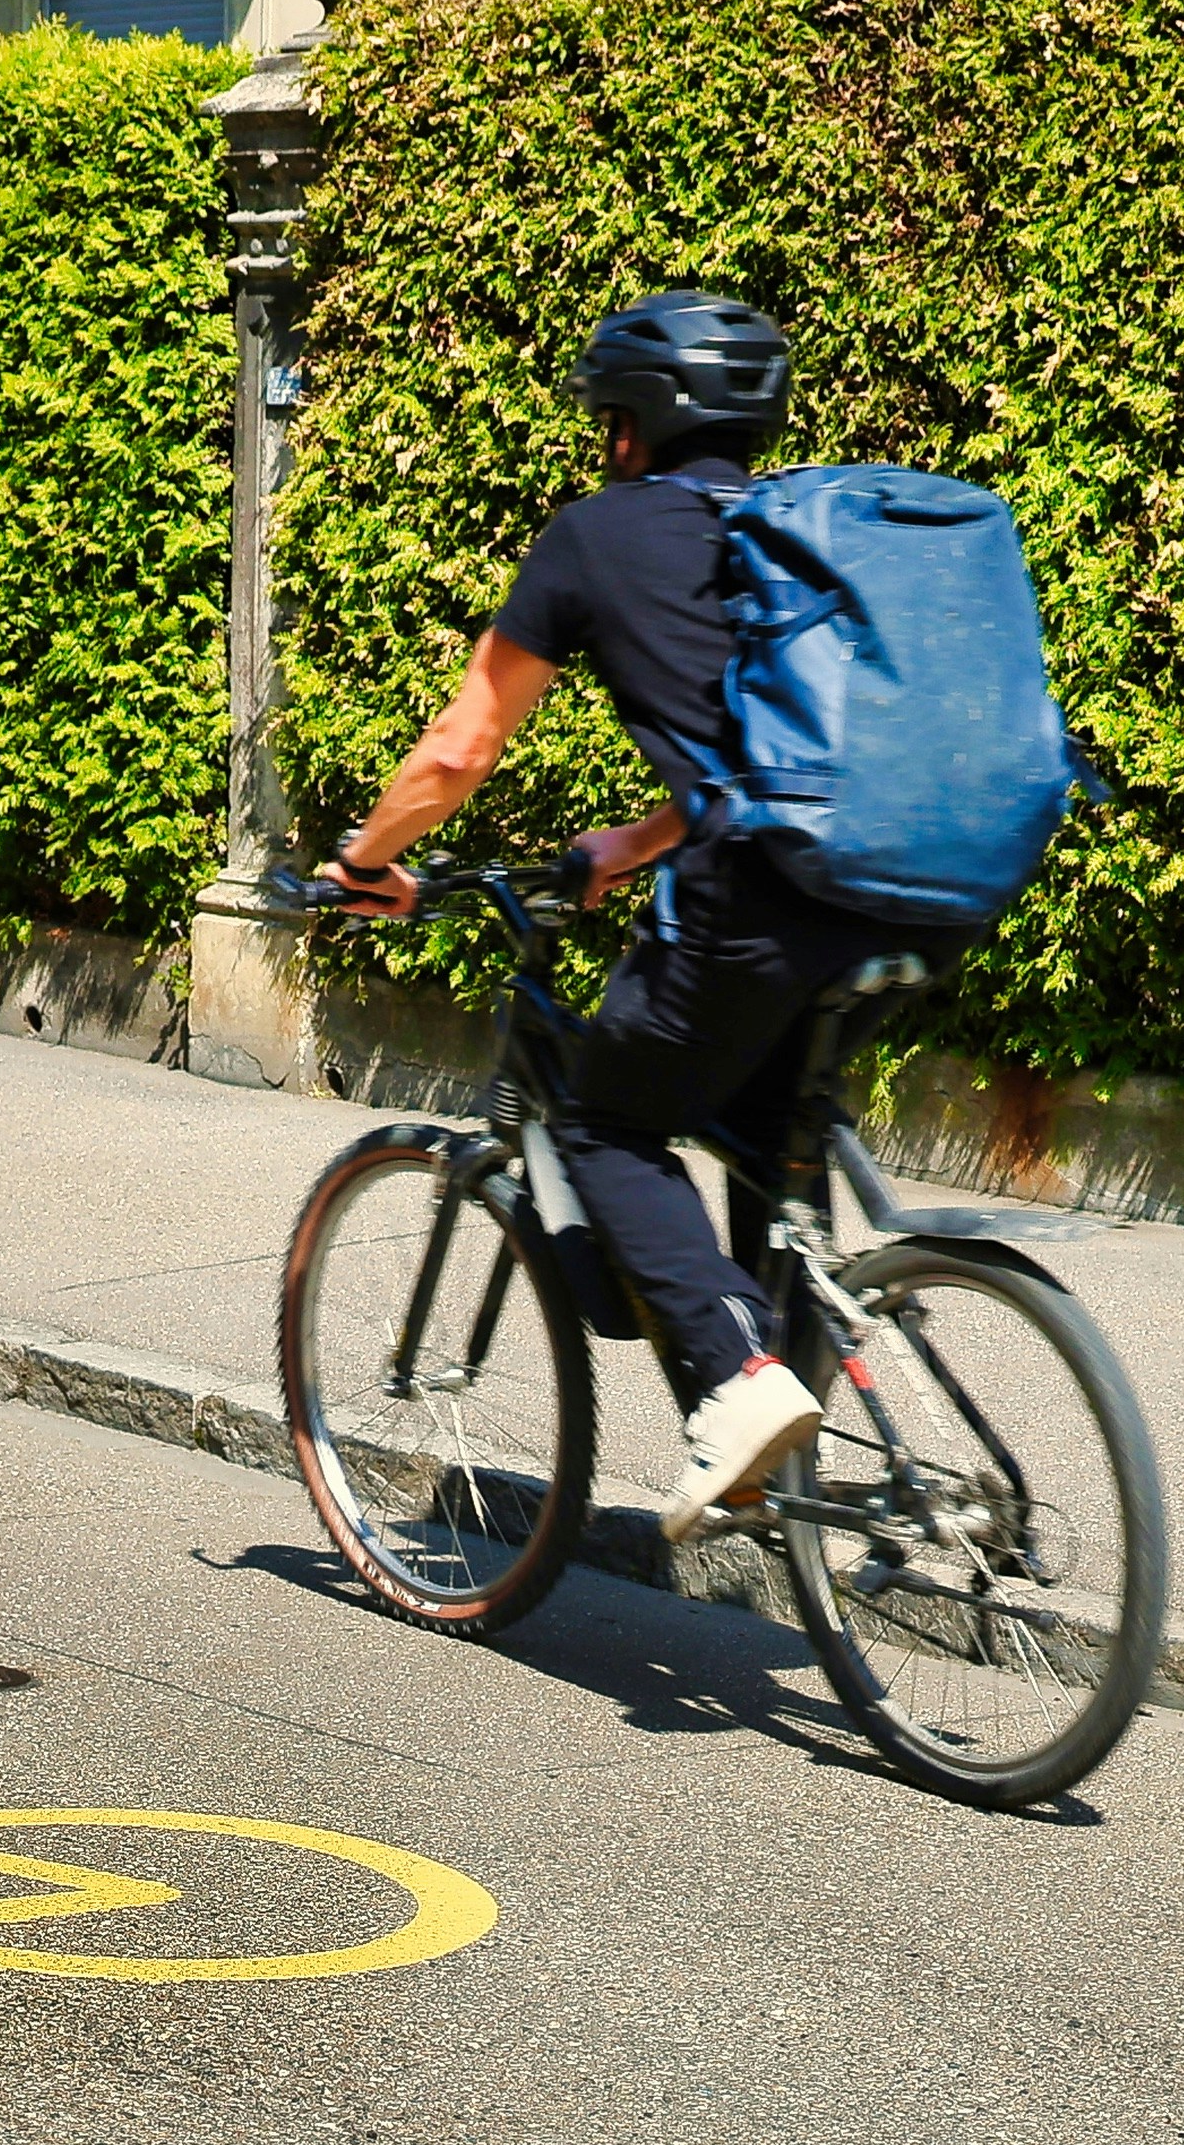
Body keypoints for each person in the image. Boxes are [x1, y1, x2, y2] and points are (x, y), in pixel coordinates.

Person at [316, 288, 852, 1538]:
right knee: (772, 1164)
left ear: (635, 424)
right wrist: (643, 836)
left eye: (610, 415)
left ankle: (741, 1387)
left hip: (747, 901)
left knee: (608, 1124)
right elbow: (768, 749)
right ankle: (785, 1452)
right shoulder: (791, 528)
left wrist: (362, 861)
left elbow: (460, 748)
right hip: (867, 899)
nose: (605, 438)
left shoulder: (596, 536)